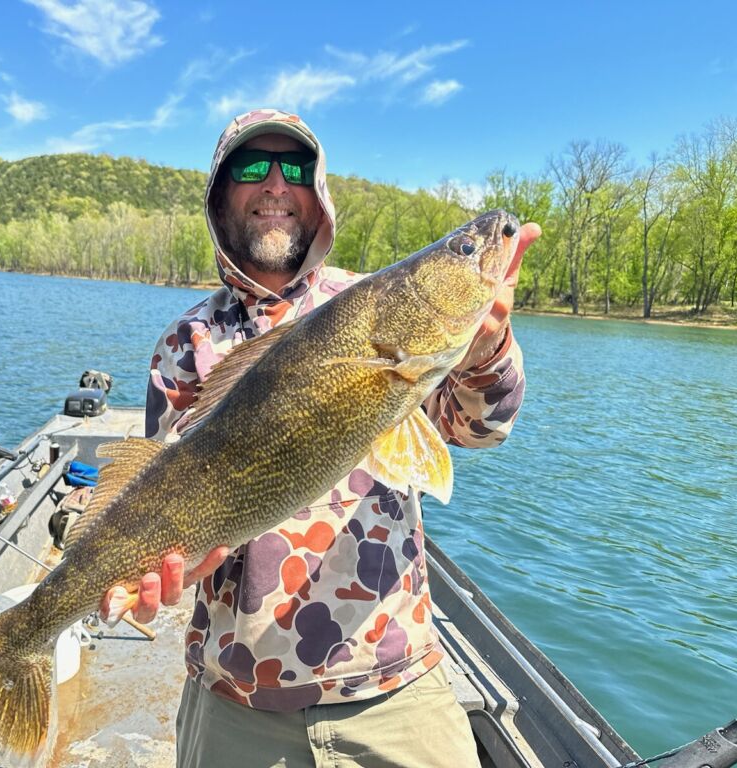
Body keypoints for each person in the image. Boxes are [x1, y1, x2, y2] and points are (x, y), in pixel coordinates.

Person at [101, 108, 541, 767]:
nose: (275, 183)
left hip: (394, 687)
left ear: (319, 191)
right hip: (234, 702)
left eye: (295, 167)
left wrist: (487, 347)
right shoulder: (186, 342)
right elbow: (166, 501)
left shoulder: (370, 305)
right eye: (252, 166)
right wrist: (161, 571)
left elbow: (478, 428)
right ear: (220, 194)